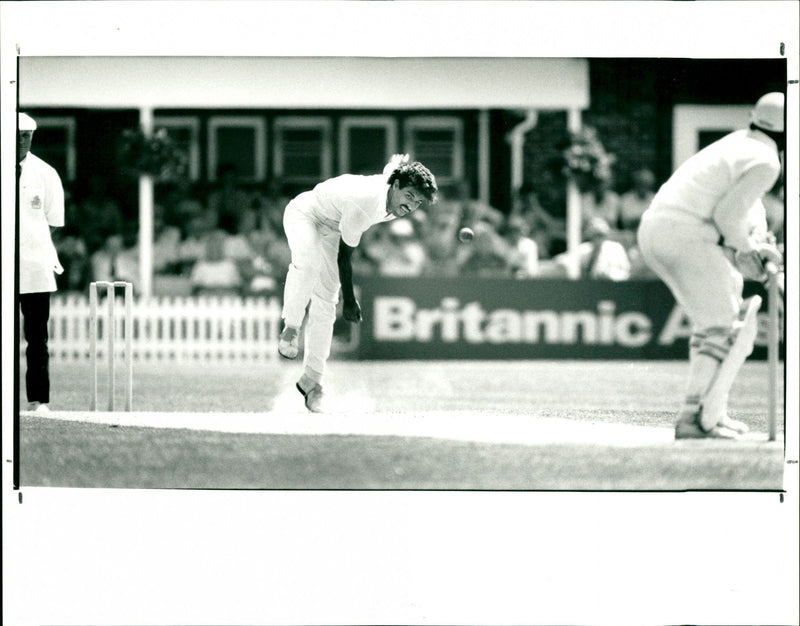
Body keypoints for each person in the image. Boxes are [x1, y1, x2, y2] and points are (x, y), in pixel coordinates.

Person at [637, 92, 785, 439]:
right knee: (722, 325)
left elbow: (730, 218)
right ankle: (694, 419)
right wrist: (750, 249)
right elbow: (727, 217)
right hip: (685, 235)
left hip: (656, 230)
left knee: (715, 323)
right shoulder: (766, 161)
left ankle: (710, 413)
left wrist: (749, 250)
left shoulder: (737, 142)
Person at [278, 155, 437, 412]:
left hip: (334, 226)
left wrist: (397, 164)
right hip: (305, 214)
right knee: (308, 266)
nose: (411, 206)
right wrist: (350, 301)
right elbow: (345, 257)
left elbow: (392, 171)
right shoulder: (366, 204)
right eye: (409, 196)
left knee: (326, 300)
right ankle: (291, 327)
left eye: (418, 202)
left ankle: (312, 382)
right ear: (395, 187)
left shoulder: (394, 183)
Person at [17, 112, 65, 413]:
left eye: (27, 135)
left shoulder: (45, 173)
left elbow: (54, 221)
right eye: (18, 133)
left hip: (35, 267)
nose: (22, 139)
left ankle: (39, 401)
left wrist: (31, 246)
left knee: (37, 338)